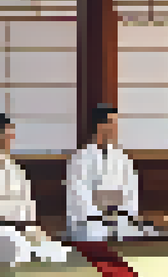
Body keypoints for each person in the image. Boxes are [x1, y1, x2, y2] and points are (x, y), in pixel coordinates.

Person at [0, 114, 72, 267]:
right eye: (7, 134)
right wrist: (13, 216)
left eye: (11, 134)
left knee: (55, 250)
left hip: (20, 228)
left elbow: (28, 203)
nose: (11, 139)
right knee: (17, 247)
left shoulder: (16, 169)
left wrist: (30, 225)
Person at [65, 104, 159, 242]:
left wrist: (121, 212)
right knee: (96, 232)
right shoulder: (80, 159)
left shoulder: (123, 158)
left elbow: (131, 191)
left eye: (116, 124)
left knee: (144, 232)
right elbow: (79, 195)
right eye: (111, 123)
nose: (115, 129)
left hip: (119, 217)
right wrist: (101, 213)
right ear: (100, 126)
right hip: (89, 221)